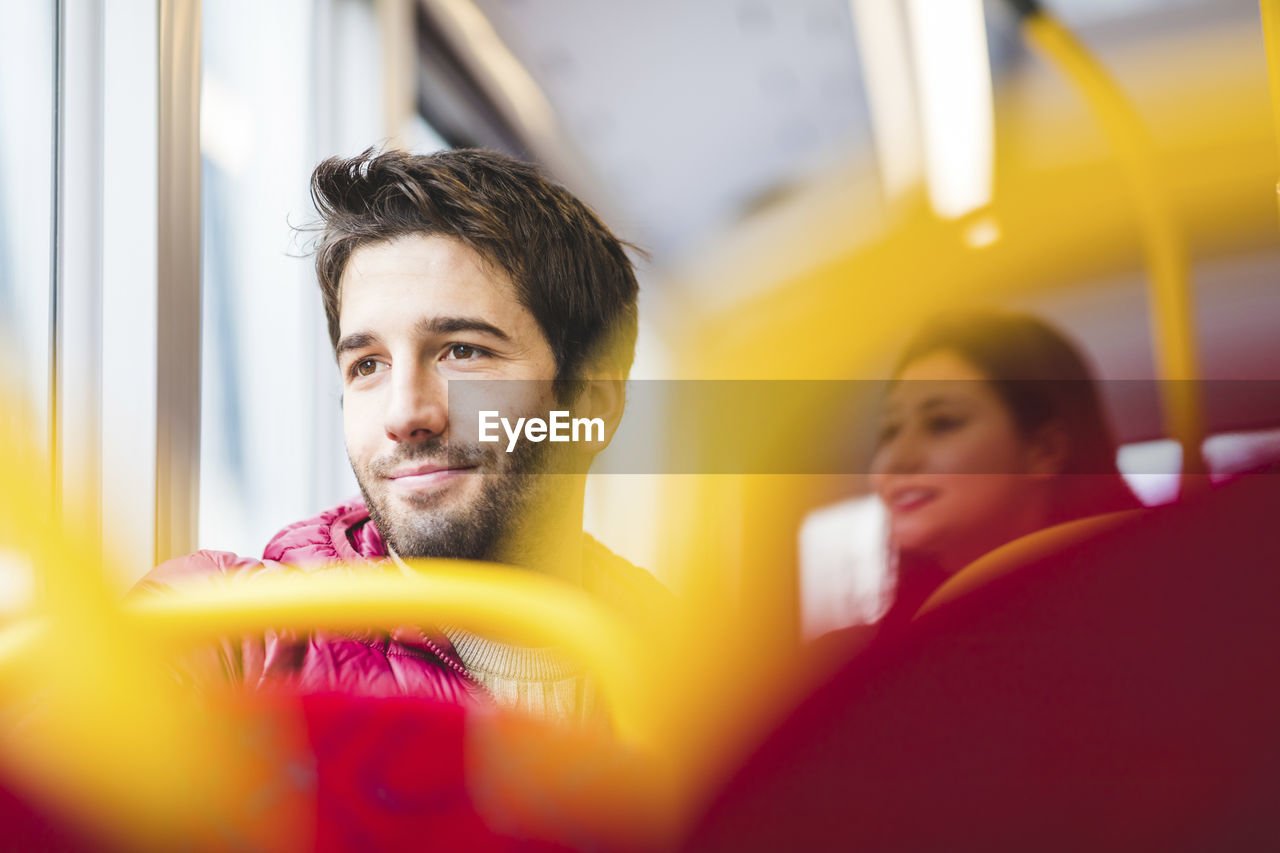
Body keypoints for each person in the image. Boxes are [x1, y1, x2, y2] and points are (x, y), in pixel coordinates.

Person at [137, 148, 667, 726]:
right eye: (367, 365)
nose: (406, 413)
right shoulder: (221, 632)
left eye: (463, 351)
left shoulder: (703, 679)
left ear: (591, 403)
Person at [867, 310, 1140, 629]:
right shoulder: (881, 653)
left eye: (942, 423)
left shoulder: (1150, 614)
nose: (897, 461)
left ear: (1044, 451)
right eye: (890, 431)